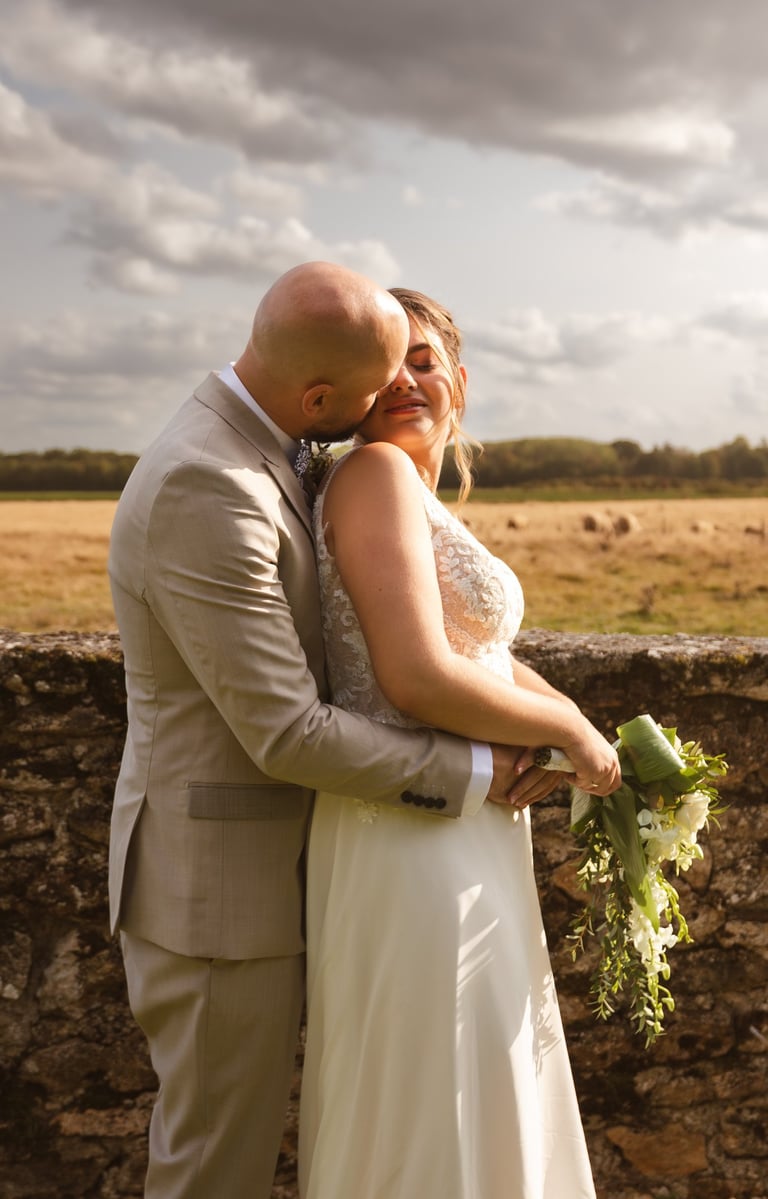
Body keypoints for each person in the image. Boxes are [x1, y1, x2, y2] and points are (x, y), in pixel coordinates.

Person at [107, 261, 556, 1199]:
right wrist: (475, 771)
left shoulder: (274, 450)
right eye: (366, 391)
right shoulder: (209, 479)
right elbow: (289, 734)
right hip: (216, 888)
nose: (381, 404)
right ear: (318, 395)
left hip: (287, 867)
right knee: (211, 1171)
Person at [299, 287, 620, 1199]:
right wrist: (567, 732)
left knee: (484, 1074)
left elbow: (484, 654)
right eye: (383, 366)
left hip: (464, 821)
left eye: (424, 361)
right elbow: (416, 674)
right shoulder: (373, 477)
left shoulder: (410, 491)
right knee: (427, 1091)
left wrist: (581, 722)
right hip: (403, 826)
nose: (403, 380)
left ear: (460, 383)